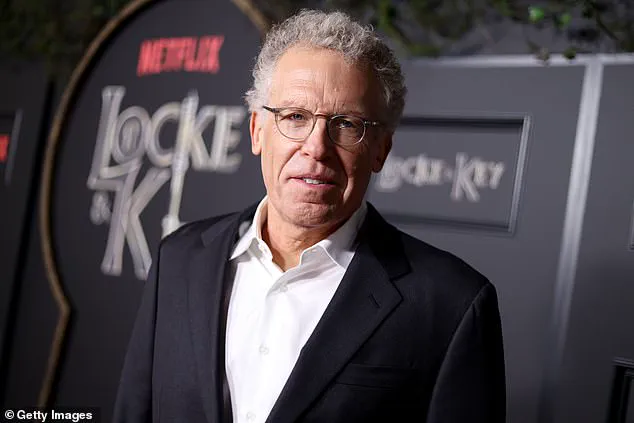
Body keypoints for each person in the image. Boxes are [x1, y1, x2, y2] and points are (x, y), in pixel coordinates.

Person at [113, 9, 506, 423]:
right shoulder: (179, 259)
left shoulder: (452, 304)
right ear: (257, 131)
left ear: (380, 150)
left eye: (347, 124)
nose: (317, 147)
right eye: (295, 117)